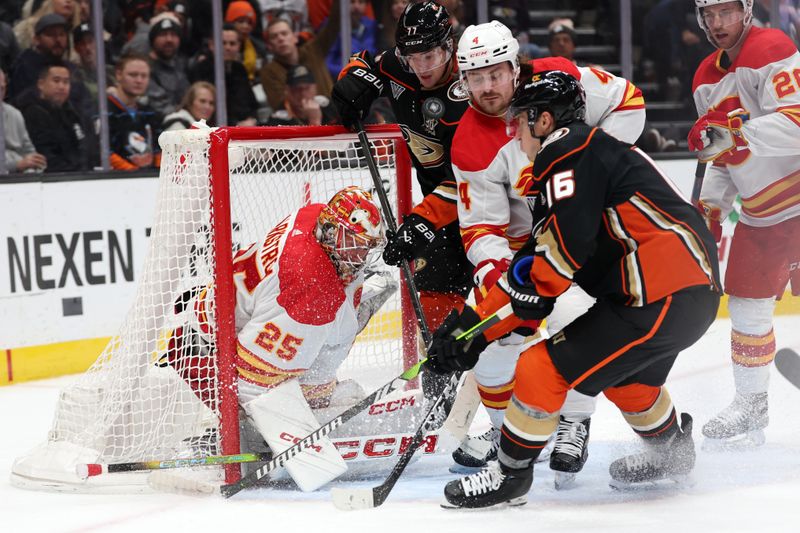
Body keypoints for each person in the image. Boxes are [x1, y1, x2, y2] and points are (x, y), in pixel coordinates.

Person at [427, 70, 721, 509]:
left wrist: (482, 329)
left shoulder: (567, 152)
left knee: (540, 367)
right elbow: (530, 264)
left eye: (520, 120)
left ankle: (509, 475)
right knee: (628, 381)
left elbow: (557, 261)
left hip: (662, 292)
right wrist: (472, 329)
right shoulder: (584, 154)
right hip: (677, 293)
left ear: (543, 121)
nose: (514, 131)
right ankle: (673, 455)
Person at [448, 23, 647, 486]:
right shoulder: (470, 142)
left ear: (514, 67)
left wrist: (598, 172)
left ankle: (574, 422)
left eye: (495, 74)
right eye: (476, 78)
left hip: (588, 240)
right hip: (526, 251)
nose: (487, 87)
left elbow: (628, 101)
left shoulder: (559, 79)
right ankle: (507, 437)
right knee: (490, 344)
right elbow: (482, 225)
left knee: (578, 320)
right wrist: (500, 278)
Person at [163, 186, 393, 491]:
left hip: (219, 316)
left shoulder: (312, 217)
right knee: (264, 400)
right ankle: (226, 438)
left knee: (331, 328)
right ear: (330, 231)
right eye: (353, 244)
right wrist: (267, 433)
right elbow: (251, 382)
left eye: (365, 246)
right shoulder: (311, 290)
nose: (360, 255)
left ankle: (318, 379)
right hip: (201, 349)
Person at [687, 0, 800, 447]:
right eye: (709, 15)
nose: (717, 24)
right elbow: (718, 157)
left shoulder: (772, 46)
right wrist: (710, 208)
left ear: (747, 9)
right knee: (747, 306)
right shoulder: (703, 79)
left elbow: (797, 120)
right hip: (761, 211)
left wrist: (735, 134)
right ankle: (752, 408)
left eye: (726, 12)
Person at [333, 1, 473, 337]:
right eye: (413, 57)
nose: (422, 67)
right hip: (441, 207)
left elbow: (470, 179)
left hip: (490, 208)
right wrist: (352, 80)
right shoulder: (401, 64)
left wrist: (422, 223)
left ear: (449, 47)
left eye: (431, 57)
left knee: (500, 312)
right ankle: (444, 379)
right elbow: (368, 62)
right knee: (435, 317)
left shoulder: (471, 91)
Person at [260, 0, 341, 111]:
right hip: (297, 124)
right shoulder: (269, 72)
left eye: (284, 33)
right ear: (269, 46)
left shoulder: (314, 49)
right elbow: (280, 105)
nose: (280, 39)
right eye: (274, 36)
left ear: (295, 37)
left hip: (333, 116)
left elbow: (334, 23)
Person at [17, 60, 88, 172]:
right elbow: (45, 156)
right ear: (41, 84)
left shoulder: (72, 113)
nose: (61, 86)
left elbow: (84, 148)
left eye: (66, 82)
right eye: (56, 81)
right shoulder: (32, 113)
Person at [188, 24, 257, 126]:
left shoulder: (240, 69)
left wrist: (252, 119)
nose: (227, 47)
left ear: (239, 46)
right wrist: (236, 125)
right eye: (223, 43)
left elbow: (251, 103)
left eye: (232, 43)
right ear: (211, 45)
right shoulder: (201, 69)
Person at [106, 54, 162, 170]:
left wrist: (158, 172)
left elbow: (159, 149)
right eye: (133, 75)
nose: (139, 80)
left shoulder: (149, 112)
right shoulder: (105, 111)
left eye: (144, 76)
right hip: (117, 181)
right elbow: (104, 152)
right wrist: (132, 173)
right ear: (118, 75)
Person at [1, 68, 47, 173]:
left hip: (22, 177)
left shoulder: (15, 114)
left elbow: (29, 151)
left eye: (2, 89)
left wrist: (36, 162)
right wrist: (17, 165)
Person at [145, 12, 189, 116]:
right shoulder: (145, 68)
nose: (169, 39)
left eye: (173, 35)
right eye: (163, 35)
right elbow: (160, 108)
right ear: (153, 39)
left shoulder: (184, 65)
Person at [266, 64, 337, 126]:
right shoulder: (278, 119)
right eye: (297, 89)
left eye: (307, 88)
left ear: (315, 88)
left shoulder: (328, 105)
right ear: (287, 91)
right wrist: (314, 121)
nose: (303, 93)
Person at [325, 0, 377, 81]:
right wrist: (350, 71)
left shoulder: (372, 25)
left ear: (366, 5)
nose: (356, 6)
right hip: (341, 79)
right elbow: (326, 63)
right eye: (352, 2)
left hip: (368, 79)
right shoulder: (332, 26)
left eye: (360, 2)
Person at [225, 0, 266, 84]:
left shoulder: (259, 48)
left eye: (249, 23)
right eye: (240, 21)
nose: (245, 26)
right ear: (230, 23)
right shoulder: (218, 46)